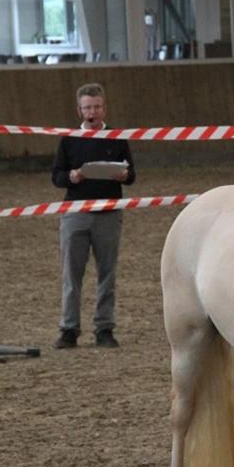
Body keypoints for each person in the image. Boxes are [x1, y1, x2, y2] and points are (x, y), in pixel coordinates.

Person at [51, 83, 136, 349]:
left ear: (104, 108)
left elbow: (131, 175)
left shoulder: (117, 137)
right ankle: (69, 329)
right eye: (88, 107)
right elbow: (57, 176)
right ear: (79, 110)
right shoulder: (68, 138)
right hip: (76, 212)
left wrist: (124, 175)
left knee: (107, 273)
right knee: (71, 274)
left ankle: (104, 328)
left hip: (108, 214)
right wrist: (72, 176)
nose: (93, 111)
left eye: (97, 106)